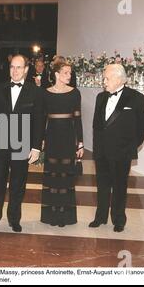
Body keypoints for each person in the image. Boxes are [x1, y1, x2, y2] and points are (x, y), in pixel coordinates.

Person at [0, 55, 44, 232]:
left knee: (18, 184)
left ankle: (14, 219)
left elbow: (39, 121)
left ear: (26, 69)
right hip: (2, 141)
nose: (15, 71)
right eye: (12, 67)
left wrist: (36, 147)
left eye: (19, 67)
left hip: (23, 143)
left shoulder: (35, 91)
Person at [90, 64, 144, 232]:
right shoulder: (100, 97)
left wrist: (131, 146)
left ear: (118, 78)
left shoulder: (136, 98)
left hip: (122, 152)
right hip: (101, 151)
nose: (104, 82)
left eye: (107, 78)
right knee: (101, 186)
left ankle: (118, 220)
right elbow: (97, 125)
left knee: (119, 187)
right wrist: (96, 148)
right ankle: (100, 217)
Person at [41, 57, 84, 227]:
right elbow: (42, 119)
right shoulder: (45, 93)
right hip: (51, 137)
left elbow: (78, 119)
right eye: (66, 73)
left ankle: (64, 216)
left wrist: (80, 142)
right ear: (57, 74)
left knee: (65, 176)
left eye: (70, 73)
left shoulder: (75, 93)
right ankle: (51, 215)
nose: (69, 75)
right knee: (53, 176)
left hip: (67, 137)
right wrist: (41, 139)